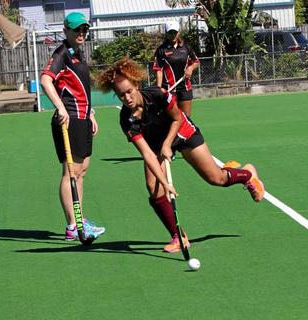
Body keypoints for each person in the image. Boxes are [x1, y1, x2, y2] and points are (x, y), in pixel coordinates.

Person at [97, 58, 265, 253]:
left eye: (129, 91)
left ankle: (246, 175)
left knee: (216, 178)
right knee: (154, 187)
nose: (126, 98)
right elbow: (147, 154)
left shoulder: (158, 95)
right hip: (155, 145)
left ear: (137, 85)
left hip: (182, 131)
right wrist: (165, 183)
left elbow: (177, 118)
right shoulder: (126, 120)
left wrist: (167, 144)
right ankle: (179, 236)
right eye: (120, 95)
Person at [40, 12, 104, 242]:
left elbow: (81, 89)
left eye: (84, 30)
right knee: (71, 173)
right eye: (77, 30)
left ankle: (80, 220)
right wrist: (61, 108)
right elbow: (46, 79)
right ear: (66, 30)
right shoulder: (62, 54)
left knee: (82, 171)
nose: (82, 33)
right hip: (70, 120)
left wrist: (91, 113)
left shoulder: (79, 55)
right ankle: (72, 225)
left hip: (83, 118)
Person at [153, 20, 200, 117]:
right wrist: (158, 90)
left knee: (186, 118)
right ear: (166, 33)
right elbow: (158, 70)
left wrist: (190, 68)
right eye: (170, 32)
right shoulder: (161, 50)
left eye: (175, 32)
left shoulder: (186, 47)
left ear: (179, 32)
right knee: (172, 119)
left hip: (185, 88)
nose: (173, 34)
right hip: (169, 89)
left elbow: (196, 61)